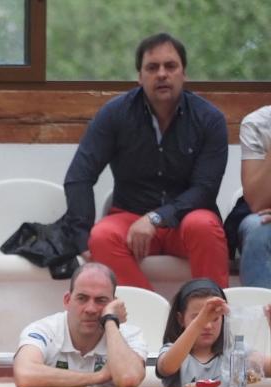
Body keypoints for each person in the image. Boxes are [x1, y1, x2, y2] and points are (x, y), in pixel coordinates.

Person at [63, 33, 228, 290]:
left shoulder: (209, 119)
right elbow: (79, 176)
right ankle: (151, 312)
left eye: (170, 66)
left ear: (184, 73)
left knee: (204, 225)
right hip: (130, 218)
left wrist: (156, 218)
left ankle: (211, 310)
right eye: (152, 67)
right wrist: (81, 237)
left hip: (185, 221)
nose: (162, 74)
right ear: (140, 76)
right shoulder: (114, 114)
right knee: (101, 236)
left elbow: (204, 190)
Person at [12, 262, 148, 387]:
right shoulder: (44, 329)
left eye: (101, 300)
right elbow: (24, 374)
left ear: (114, 304)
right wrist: (98, 377)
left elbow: (128, 377)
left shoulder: (129, 334)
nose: (90, 309)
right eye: (82, 298)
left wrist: (110, 321)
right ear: (67, 300)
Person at [157, 279, 271, 387]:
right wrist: (199, 322)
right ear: (180, 319)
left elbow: (264, 367)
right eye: (198, 317)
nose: (208, 325)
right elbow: (168, 366)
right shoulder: (172, 350)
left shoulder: (236, 352)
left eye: (215, 318)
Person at [237, 105, 271, 288]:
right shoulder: (258, 123)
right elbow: (257, 202)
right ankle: (260, 305)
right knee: (258, 228)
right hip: (266, 213)